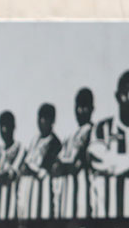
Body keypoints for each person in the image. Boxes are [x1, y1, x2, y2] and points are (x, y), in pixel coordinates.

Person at [90, 70, 129, 218]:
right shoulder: (102, 129)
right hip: (106, 220)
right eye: (126, 94)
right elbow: (97, 159)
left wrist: (115, 162)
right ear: (117, 97)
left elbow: (109, 162)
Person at [52, 88, 94, 218]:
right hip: (65, 197)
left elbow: (76, 165)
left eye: (84, 106)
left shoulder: (93, 133)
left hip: (83, 197)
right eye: (78, 106)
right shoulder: (70, 137)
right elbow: (55, 167)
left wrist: (65, 165)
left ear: (92, 108)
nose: (80, 111)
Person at [17, 103, 62, 219]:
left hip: (42, 189)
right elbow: (27, 161)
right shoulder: (35, 140)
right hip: (28, 187)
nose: (41, 122)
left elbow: (44, 168)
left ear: (52, 121)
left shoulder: (54, 143)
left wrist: (30, 169)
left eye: (45, 118)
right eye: (40, 118)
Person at [0, 111, 25, 219]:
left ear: (14, 127)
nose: (4, 130)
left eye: (7, 126)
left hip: (12, 211)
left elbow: (9, 176)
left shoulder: (20, 149)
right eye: (2, 126)